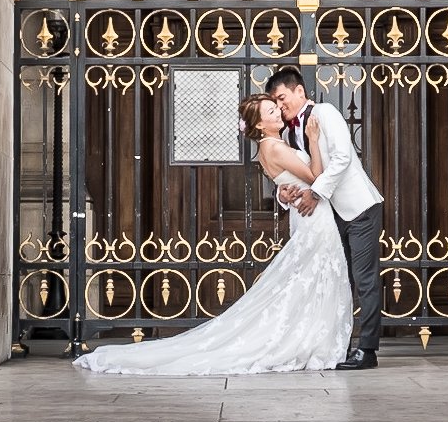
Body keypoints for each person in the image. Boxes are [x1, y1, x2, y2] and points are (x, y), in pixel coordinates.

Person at [75, 92, 351, 375]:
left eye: (276, 108)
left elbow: (287, 182)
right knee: (313, 277)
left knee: (308, 278)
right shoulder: (276, 148)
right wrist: (314, 140)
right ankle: (308, 340)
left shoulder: (269, 148)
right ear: (258, 126)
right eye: (271, 111)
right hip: (313, 217)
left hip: (305, 215)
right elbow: (316, 177)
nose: (278, 112)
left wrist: (284, 192)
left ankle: (309, 337)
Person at [269, 65, 385, 369]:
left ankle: (368, 350)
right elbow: (293, 173)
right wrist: (282, 195)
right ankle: (339, 345)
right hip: (329, 219)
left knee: (364, 279)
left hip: (359, 209)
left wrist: (316, 193)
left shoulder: (325, 112)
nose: (281, 106)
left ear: (299, 91)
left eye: (283, 98)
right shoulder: (288, 131)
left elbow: (343, 158)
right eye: (276, 103)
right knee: (338, 281)